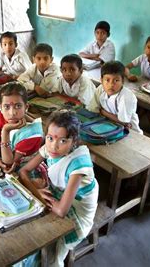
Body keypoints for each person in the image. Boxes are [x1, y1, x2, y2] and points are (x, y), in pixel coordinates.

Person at [19, 110, 98, 267]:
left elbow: (62, 211)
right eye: (50, 138)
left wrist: (38, 195)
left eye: (62, 141)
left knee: (51, 257)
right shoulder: (49, 149)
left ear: (73, 141)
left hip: (78, 214)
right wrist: (37, 193)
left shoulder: (78, 165)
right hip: (58, 197)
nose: (53, 146)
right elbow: (23, 171)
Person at [0, 82, 44, 173]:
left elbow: (8, 163)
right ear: (1, 108)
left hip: (26, 171)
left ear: (26, 107)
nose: (12, 113)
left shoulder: (33, 133)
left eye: (18, 106)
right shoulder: (1, 116)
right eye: (6, 107)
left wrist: (5, 131)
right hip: (3, 159)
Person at [87, 61, 142, 133]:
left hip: (130, 132)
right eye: (107, 80)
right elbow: (92, 108)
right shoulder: (101, 89)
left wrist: (102, 111)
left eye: (116, 80)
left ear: (123, 81)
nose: (111, 84)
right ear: (101, 80)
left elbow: (123, 122)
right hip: (110, 126)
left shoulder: (126, 96)